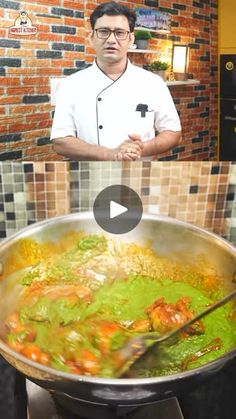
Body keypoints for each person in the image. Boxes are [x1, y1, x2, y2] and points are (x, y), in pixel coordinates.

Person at [51, 1, 182, 161]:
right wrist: (111, 154)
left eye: (120, 32)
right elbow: (60, 142)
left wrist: (138, 149)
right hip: (91, 176)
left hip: (139, 175)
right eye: (103, 31)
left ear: (131, 39)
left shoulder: (153, 83)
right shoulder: (71, 85)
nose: (112, 40)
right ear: (91, 37)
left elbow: (174, 134)